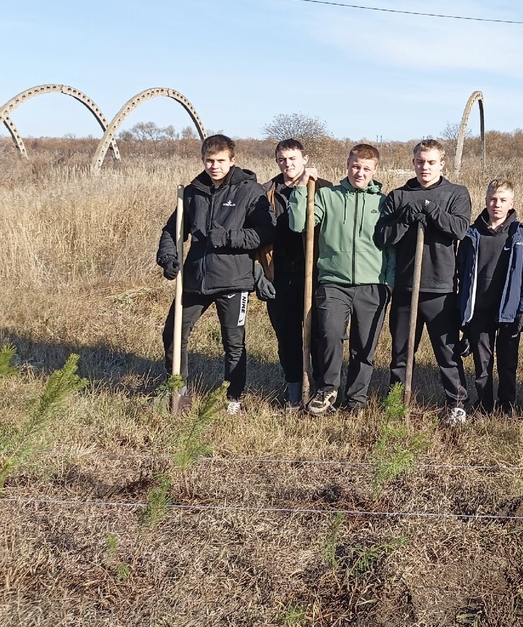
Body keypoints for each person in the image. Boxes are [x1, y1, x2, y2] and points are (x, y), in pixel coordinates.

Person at [156, 134, 272, 415]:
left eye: (220, 161)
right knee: (173, 333)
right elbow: (173, 230)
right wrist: (168, 257)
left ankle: (233, 399)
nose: (214, 166)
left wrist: (228, 237)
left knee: (233, 343)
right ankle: (179, 391)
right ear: (203, 160)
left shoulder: (249, 190)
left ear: (232, 161)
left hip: (233, 279)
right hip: (195, 279)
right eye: (209, 160)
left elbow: (265, 233)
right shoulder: (192, 192)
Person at [288, 144, 395, 416]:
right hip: (333, 282)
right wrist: (302, 188)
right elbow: (299, 224)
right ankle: (327, 389)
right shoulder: (326, 196)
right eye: (355, 166)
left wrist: (389, 281)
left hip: (373, 284)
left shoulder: (384, 203)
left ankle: (356, 400)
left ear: (375, 171)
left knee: (364, 345)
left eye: (366, 169)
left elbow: (392, 247)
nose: (360, 173)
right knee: (329, 334)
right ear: (347, 165)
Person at [375, 139, 472, 425]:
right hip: (406, 287)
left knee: (447, 352)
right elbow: (383, 237)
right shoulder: (399, 196)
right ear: (413, 162)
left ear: (442, 163)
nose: (425, 167)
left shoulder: (456, 193)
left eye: (431, 162)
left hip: (440, 288)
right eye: (420, 161)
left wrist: (432, 210)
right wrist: (405, 218)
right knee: (402, 351)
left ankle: (456, 404)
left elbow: (460, 229)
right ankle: (398, 400)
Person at [255, 139, 331, 409]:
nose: (288, 164)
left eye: (293, 159)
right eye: (282, 159)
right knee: (287, 336)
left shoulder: (323, 189)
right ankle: (295, 391)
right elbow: (257, 238)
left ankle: (323, 390)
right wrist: (258, 273)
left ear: (305, 159)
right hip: (279, 274)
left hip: (315, 275)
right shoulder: (266, 193)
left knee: (321, 335)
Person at [456, 179, 523, 415]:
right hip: (479, 309)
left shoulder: (520, 234)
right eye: (492, 199)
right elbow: (461, 273)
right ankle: (484, 405)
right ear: (486, 200)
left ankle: (507, 406)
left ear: (511, 202)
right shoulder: (472, 234)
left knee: (508, 362)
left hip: (508, 309)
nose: (496, 205)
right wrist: (464, 315)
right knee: (482, 364)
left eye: (502, 200)